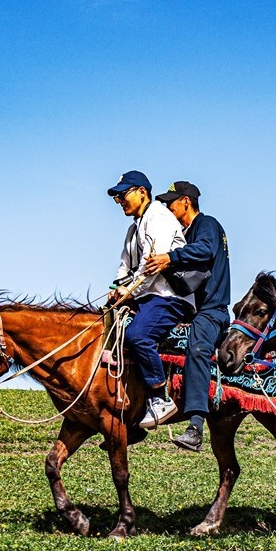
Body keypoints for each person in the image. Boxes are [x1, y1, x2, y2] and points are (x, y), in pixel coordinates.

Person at [142, 181, 231, 451]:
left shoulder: (207, 225)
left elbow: (205, 250)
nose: (167, 207)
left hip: (211, 310)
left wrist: (169, 258)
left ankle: (195, 425)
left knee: (198, 347)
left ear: (185, 202)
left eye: (171, 202)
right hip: (189, 308)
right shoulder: (183, 232)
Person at [107, 171, 196, 438]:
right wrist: (116, 289)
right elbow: (124, 268)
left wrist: (129, 292)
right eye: (117, 198)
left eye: (123, 194)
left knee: (137, 336)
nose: (120, 200)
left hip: (170, 298)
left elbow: (151, 266)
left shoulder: (158, 218)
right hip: (146, 296)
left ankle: (160, 398)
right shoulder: (133, 228)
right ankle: (134, 413)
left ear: (142, 192)